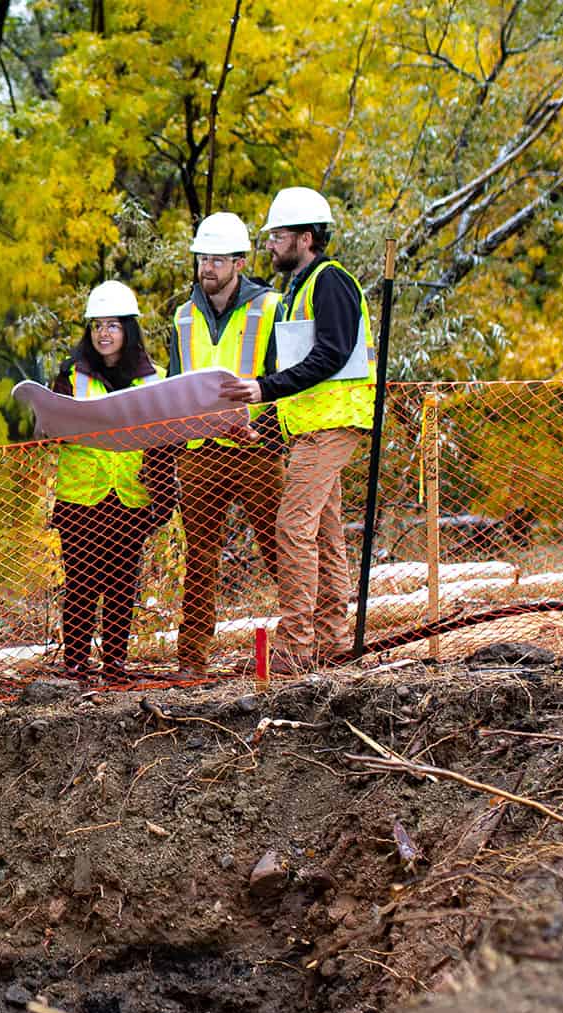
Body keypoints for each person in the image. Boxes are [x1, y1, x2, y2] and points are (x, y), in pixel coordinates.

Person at [217, 187, 373, 673]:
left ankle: (294, 647)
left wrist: (262, 390)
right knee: (324, 535)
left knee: (292, 526)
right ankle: (330, 640)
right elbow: (301, 373)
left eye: (278, 235)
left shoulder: (330, 283)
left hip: (332, 423)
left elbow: (329, 357)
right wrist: (261, 420)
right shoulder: (298, 291)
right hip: (310, 424)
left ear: (306, 238)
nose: (270, 244)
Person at [168, 212, 284, 674]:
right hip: (200, 453)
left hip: (256, 449)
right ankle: (191, 660)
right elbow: (176, 387)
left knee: (278, 547)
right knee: (199, 558)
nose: (207, 268)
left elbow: (285, 380)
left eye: (217, 259)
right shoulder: (182, 316)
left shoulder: (271, 307)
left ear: (240, 262)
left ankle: (308, 639)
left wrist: (268, 433)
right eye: (202, 258)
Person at [49, 281, 168, 678]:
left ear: (128, 330)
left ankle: (116, 662)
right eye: (97, 325)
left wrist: (164, 495)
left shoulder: (156, 380)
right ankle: (76, 664)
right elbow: (52, 428)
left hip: (130, 497)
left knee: (121, 585)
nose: (104, 333)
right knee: (82, 584)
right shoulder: (71, 375)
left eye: (113, 325)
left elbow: (165, 443)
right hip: (81, 498)